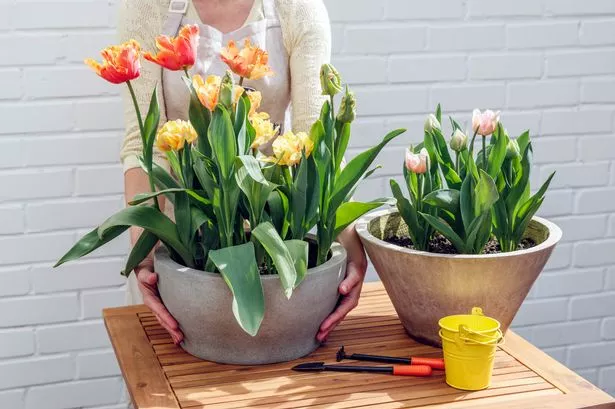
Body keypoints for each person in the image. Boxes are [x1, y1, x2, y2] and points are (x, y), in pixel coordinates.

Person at [118, 0, 368, 345]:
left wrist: (351, 247)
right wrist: (145, 259)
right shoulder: (149, 7)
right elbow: (144, 146)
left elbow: (315, 139)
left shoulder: (296, 8)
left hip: (271, 239)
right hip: (180, 249)